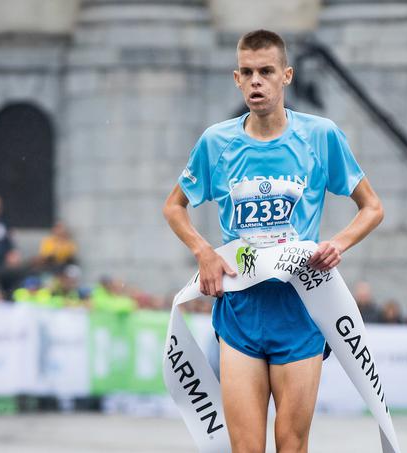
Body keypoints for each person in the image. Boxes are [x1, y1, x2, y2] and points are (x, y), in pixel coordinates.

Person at [163, 29, 384, 453]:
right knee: (245, 447)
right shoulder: (217, 142)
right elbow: (174, 206)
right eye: (246, 73)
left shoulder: (320, 136)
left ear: (286, 76)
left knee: (291, 443)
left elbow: (372, 207)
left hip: (300, 312)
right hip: (241, 313)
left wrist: (338, 243)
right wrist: (203, 252)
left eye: (265, 71)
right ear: (236, 78)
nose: (255, 81)